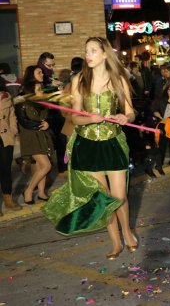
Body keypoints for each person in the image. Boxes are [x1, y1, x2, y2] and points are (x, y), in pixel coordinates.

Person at [43, 36, 137, 260]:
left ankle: (128, 233)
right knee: (103, 199)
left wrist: (125, 117)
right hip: (87, 145)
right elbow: (75, 118)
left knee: (120, 197)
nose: (88, 55)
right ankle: (115, 242)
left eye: (93, 51)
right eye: (87, 51)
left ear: (105, 54)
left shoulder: (119, 80)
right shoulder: (79, 81)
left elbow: (131, 111)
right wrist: (90, 120)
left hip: (112, 143)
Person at [16, 65, 55, 205]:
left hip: (43, 135)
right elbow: (22, 119)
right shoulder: (22, 96)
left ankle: (42, 192)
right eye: (39, 72)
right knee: (46, 165)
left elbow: (51, 115)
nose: (42, 74)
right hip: (31, 135)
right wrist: (40, 125)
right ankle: (28, 191)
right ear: (31, 76)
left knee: (41, 165)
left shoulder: (43, 95)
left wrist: (48, 123)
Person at [0, 82, 22, 214]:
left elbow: (12, 116)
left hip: (5, 137)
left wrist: (13, 131)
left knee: (5, 170)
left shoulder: (6, 96)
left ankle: (8, 200)